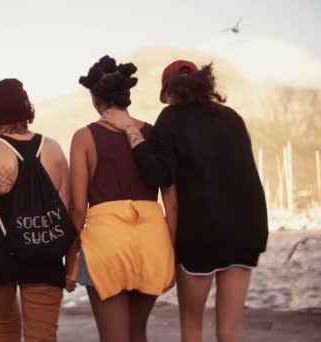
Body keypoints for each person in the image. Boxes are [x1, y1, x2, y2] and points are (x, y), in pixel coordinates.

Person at [102, 60, 269, 342]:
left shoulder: (171, 118)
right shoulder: (232, 117)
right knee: (229, 332)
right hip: (246, 230)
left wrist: (130, 129)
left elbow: (160, 175)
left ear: (170, 92)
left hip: (202, 234)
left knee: (192, 325)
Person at [67, 56, 176, 342]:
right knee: (138, 333)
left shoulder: (84, 138)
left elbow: (78, 208)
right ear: (127, 94)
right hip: (152, 241)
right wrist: (171, 252)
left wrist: (69, 260)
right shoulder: (152, 133)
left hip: (107, 244)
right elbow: (171, 198)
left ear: (94, 97)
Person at [0, 78, 70, 342]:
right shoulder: (54, 149)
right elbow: (66, 212)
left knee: (6, 329)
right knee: (43, 337)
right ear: (28, 110)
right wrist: (72, 260)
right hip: (45, 254)